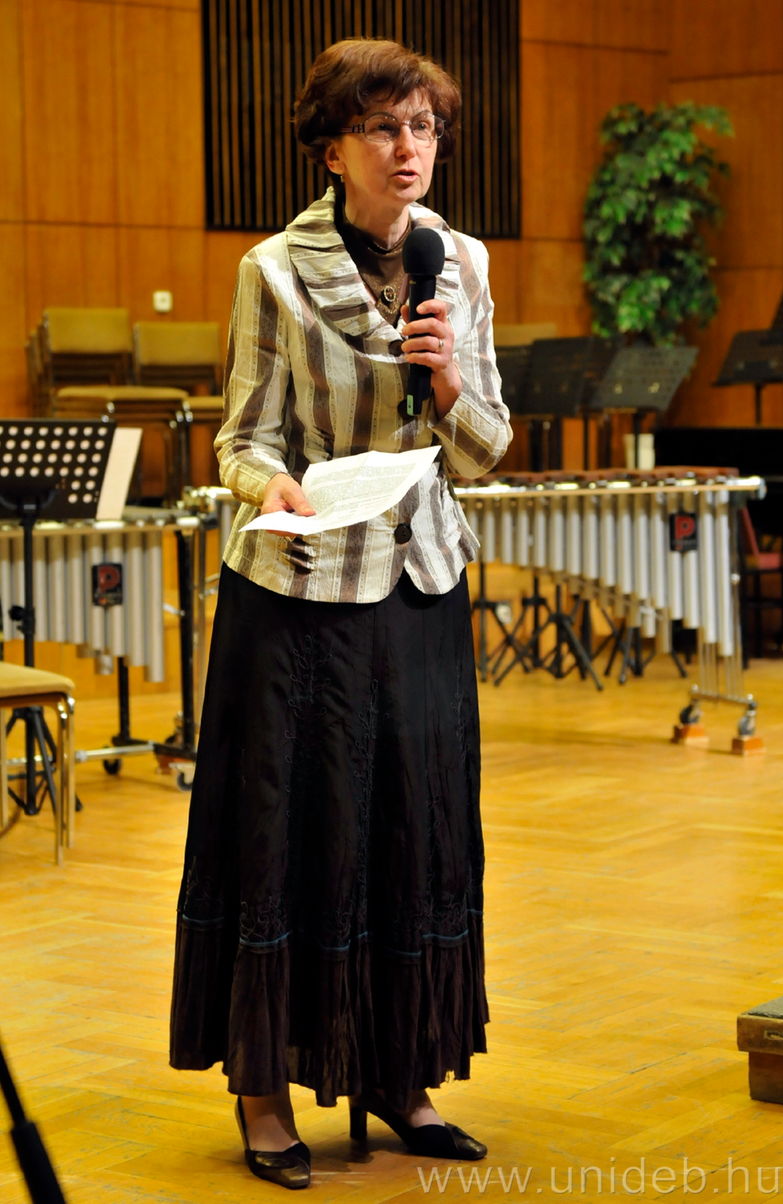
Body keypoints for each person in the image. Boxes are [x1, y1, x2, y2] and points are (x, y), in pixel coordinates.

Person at [169, 38, 512, 1189]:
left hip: (420, 586)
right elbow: (241, 436)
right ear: (331, 149)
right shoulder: (272, 270)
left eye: (422, 127)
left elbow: (485, 448)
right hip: (300, 592)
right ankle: (265, 1096)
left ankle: (399, 1077)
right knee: (288, 836)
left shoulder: (459, 261)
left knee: (413, 833)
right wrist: (266, 484)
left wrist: (449, 379)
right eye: (382, 127)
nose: (408, 147)